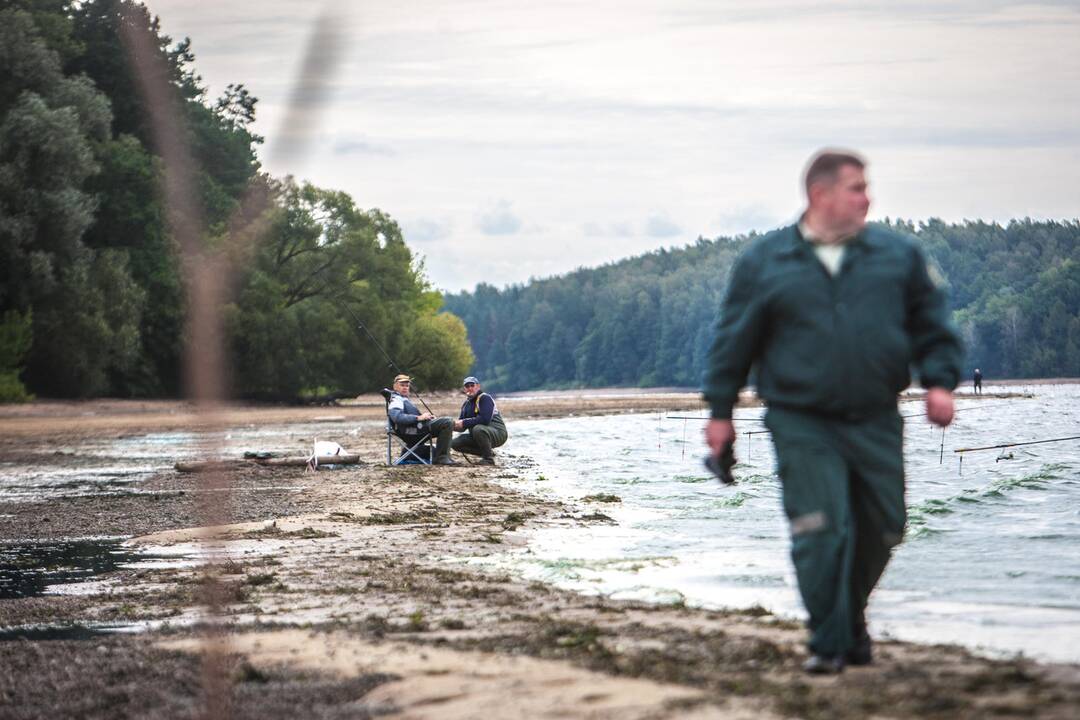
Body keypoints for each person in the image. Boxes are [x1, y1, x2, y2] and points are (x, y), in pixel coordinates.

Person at [702, 149, 962, 674]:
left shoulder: (897, 254)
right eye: (856, 188)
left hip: (875, 415)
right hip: (801, 416)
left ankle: (850, 616)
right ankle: (828, 642)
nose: (867, 198)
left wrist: (940, 381)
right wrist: (721, 412)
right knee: (821, 527)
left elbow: (932, 322)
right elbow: (733, 340)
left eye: (866, 188)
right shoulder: (766, 261)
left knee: (885, 525)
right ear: (820, 194)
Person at [386, 374, 456, 465]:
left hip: (416, 429)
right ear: (395, 386)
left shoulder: (403, 399)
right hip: (412, 432)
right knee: (447, 422)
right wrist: (419, 417)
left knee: (434, 449)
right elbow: (397, 418)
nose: (405, 388)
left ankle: (440, 456)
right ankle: (442, 458)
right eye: (402, 385)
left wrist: (427, 418)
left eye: (407, 386)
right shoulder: (396, 400)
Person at [452, 376, 508, 465]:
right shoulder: (466, 405)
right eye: (467, 386)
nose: (470, 388)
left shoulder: (485, 398)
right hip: (479, 434)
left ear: (478, 386)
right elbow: (461, 427)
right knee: (454, 443)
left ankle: (488, 459)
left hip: (499, 433)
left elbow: (484, 420)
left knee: (478, 429)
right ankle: (488, 452)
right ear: (464, 389)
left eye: (472, 385)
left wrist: (464, 422)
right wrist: (448, 425)